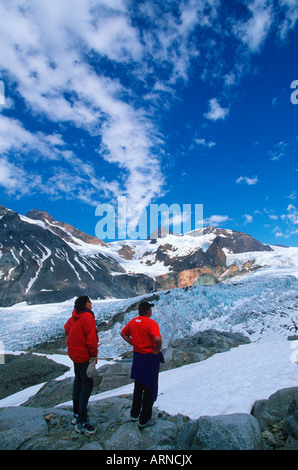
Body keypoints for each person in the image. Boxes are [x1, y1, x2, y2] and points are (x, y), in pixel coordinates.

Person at [121, 300, 164, 429]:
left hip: (138, 357)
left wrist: (133, 343)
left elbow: (123, 333)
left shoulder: (133, 322)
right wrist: (157, 348)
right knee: (149, 389)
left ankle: (134, 414)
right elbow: (157, 339)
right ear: (148, 312)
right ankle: (144, 419)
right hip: (150, 358)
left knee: (138, 387)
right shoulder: (151, 323)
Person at [64, 296, 98, 435]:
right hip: (85, 356)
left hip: (75, 355)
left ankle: (76, 414)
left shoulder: (74, 317)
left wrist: (75, 337)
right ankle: (82, 422)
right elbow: (91, 338)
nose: (91, 303)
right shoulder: (87, 317)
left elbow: (66, 329)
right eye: (89, 301)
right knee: (86, 386)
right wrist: (94, 354)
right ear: (85, 304)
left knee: (78, 382)